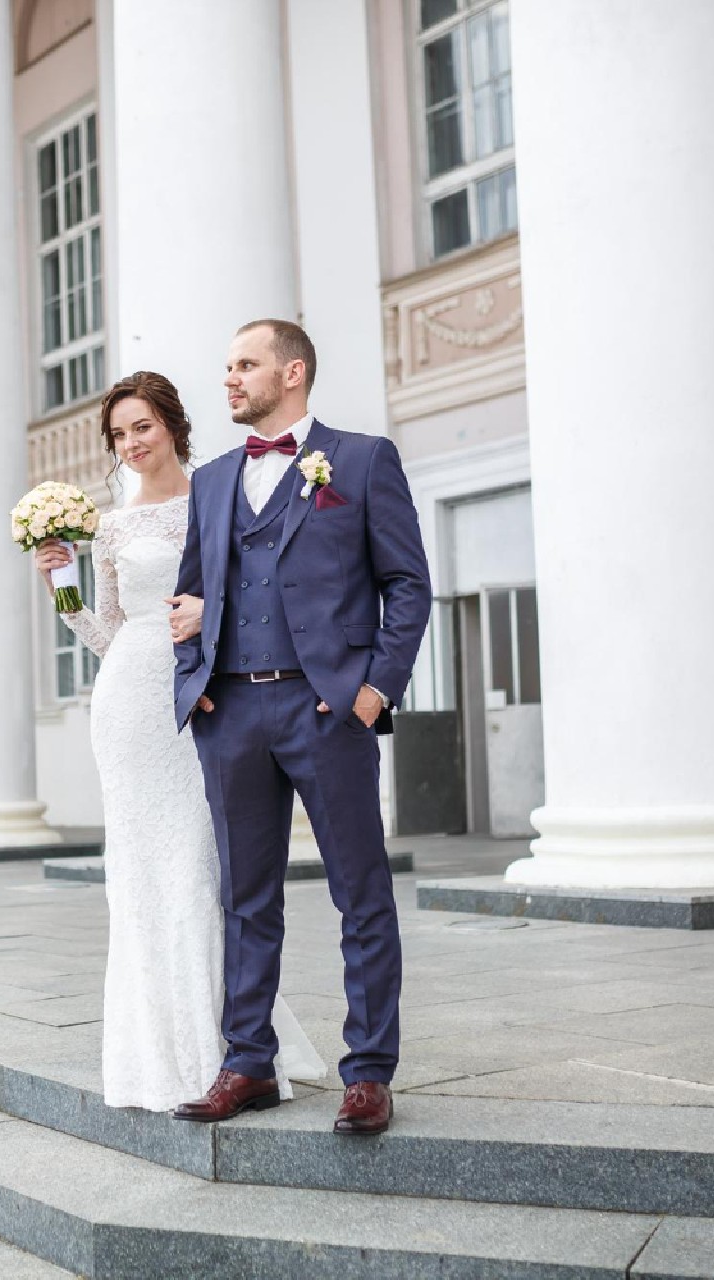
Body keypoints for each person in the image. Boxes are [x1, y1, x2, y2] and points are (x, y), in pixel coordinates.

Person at [169, 320, 432, 1136]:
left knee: (361, 892)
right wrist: (197, 684)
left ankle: (369, 1073)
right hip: (233, 712)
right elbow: (187, 598)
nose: (230, 379)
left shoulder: (358, 461)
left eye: (244, 364)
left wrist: (371, 692)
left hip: (326, 708)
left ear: (293, 371)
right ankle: (246, 1061)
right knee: (245, 898)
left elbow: (407, 585)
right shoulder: (211, 481)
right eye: (226, 367)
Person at [36, 370, 323, 1112]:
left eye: (143, 427)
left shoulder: (217, 500)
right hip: (128, 700)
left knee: (199, 868)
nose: (132, 444)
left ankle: (229, 1049)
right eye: (119, 435)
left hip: (204, 696)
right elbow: (106, 631)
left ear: (172, 425)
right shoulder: (109, 527)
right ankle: (156, 1055)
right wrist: (60, 588)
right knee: (138, 875)